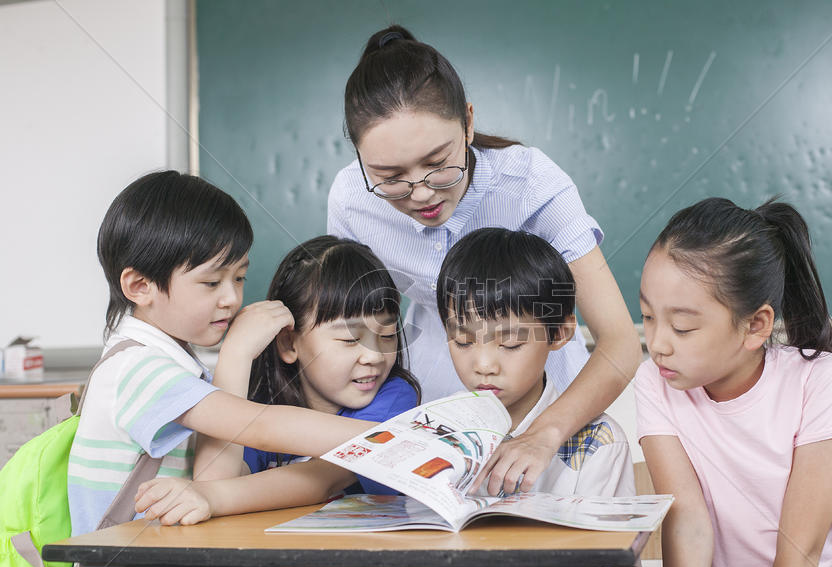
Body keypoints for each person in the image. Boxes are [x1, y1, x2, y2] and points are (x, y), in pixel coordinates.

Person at [328, 25, 641, 496]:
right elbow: (359, 328)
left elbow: (620, 342)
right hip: (436, 396)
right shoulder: (352, 199)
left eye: (438, 162)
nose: (421, 193)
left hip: (549, 399)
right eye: (390, 177)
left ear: (468, 122)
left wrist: (545, 433)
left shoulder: (532, 184)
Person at [68, 171, 371, 535]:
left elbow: (216, 480)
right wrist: (396, 437)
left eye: (239, 278)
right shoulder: (137, 367)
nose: (231, 298)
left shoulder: (174, 363)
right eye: (211, 282)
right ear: (140, 286)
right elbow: (258, 426)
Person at [635, 197, 832, 567]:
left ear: (755, 326)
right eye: (648, 317)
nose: (657, 344)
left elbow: (799, 549)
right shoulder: (655, 381)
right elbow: (688, 521)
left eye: (682, 327)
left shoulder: (819, 383)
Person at [136, 236, 420, 524]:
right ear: (289, 344)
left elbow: (324, 480)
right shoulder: (261, 402)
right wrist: (236, 354)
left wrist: (213, 497)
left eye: (386, 336)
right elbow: (215, 478)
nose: (373, 356)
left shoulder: (393, 398)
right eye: (349, 339)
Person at [436, 228, 637, 567]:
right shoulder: (436, 429)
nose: (482, 364)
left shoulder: (598, 442)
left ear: (559, 332)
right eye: (462, 340)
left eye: (510, 343)